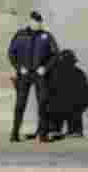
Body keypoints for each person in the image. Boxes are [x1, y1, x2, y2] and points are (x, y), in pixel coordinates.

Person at [8, 11, 60, 143]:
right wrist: (19, 68)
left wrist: (45, 68)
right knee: (20, 104)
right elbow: (11, 53)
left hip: (39, 75)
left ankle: (42, 135)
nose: (38, 24)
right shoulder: (20, 35)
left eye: (40, 22)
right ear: (30, 21)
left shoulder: (46, 36)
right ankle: (14, 134)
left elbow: (55, 54)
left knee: (43, 103)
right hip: (24, 75)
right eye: (36, 22)